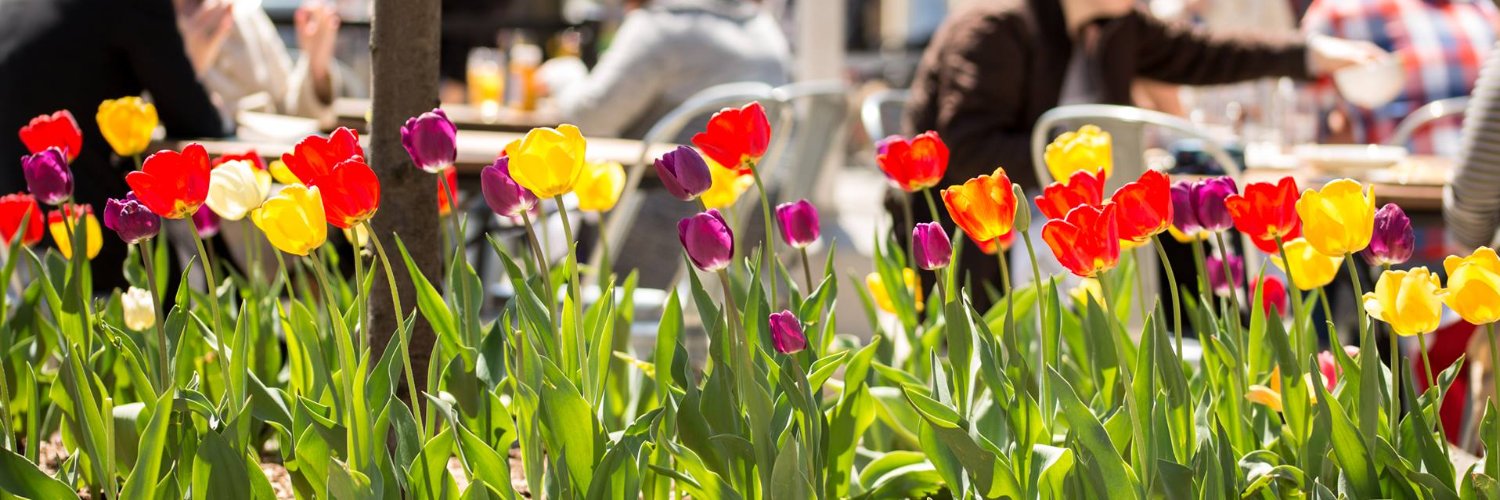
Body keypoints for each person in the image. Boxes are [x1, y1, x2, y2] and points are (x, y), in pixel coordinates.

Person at [902, 0, 1382, 309]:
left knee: (1192, 244)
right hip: (982, 250)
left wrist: (1311, 55)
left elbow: (1207, 54)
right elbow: (964, 154)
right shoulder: (997, 29)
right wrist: (1075, 162)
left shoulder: (1113, 25)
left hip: (1079, 236)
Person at [0, 0, 228, 291]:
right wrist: (195, 64)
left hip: (22, 250)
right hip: (110, 248)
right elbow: (195, 121)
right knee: (218, 264)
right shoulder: (139, 6)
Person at [552, 0, 790, 140]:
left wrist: (563, 76)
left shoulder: (660, 27)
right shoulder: (765, 30)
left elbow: (592, 120)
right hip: (758, 215)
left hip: (663, 213)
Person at [1302, 0, 1499, 155]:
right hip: (1391, 196)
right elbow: (1300, 118)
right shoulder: (1339, 9)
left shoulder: (1483, 11)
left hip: (1480, 190)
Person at [176, 0, 346, 128]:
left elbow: (290, 108)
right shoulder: (157, 26)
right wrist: (187, 72)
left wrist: (316, 67)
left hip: (273, 166)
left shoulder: (247, 14)